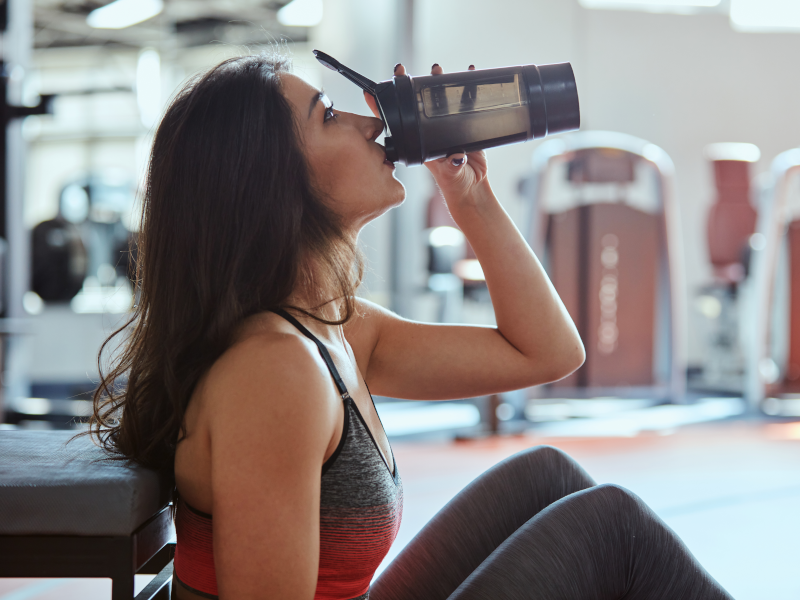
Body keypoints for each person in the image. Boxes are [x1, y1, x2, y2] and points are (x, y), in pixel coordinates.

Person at [89, 52, 734, 600]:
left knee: (550, 476)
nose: (376, 125)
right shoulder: (273, 370)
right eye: (332, 116)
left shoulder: (337, 330)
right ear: (272, 182)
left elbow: (548, 351)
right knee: (609, 526)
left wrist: (470, 199)